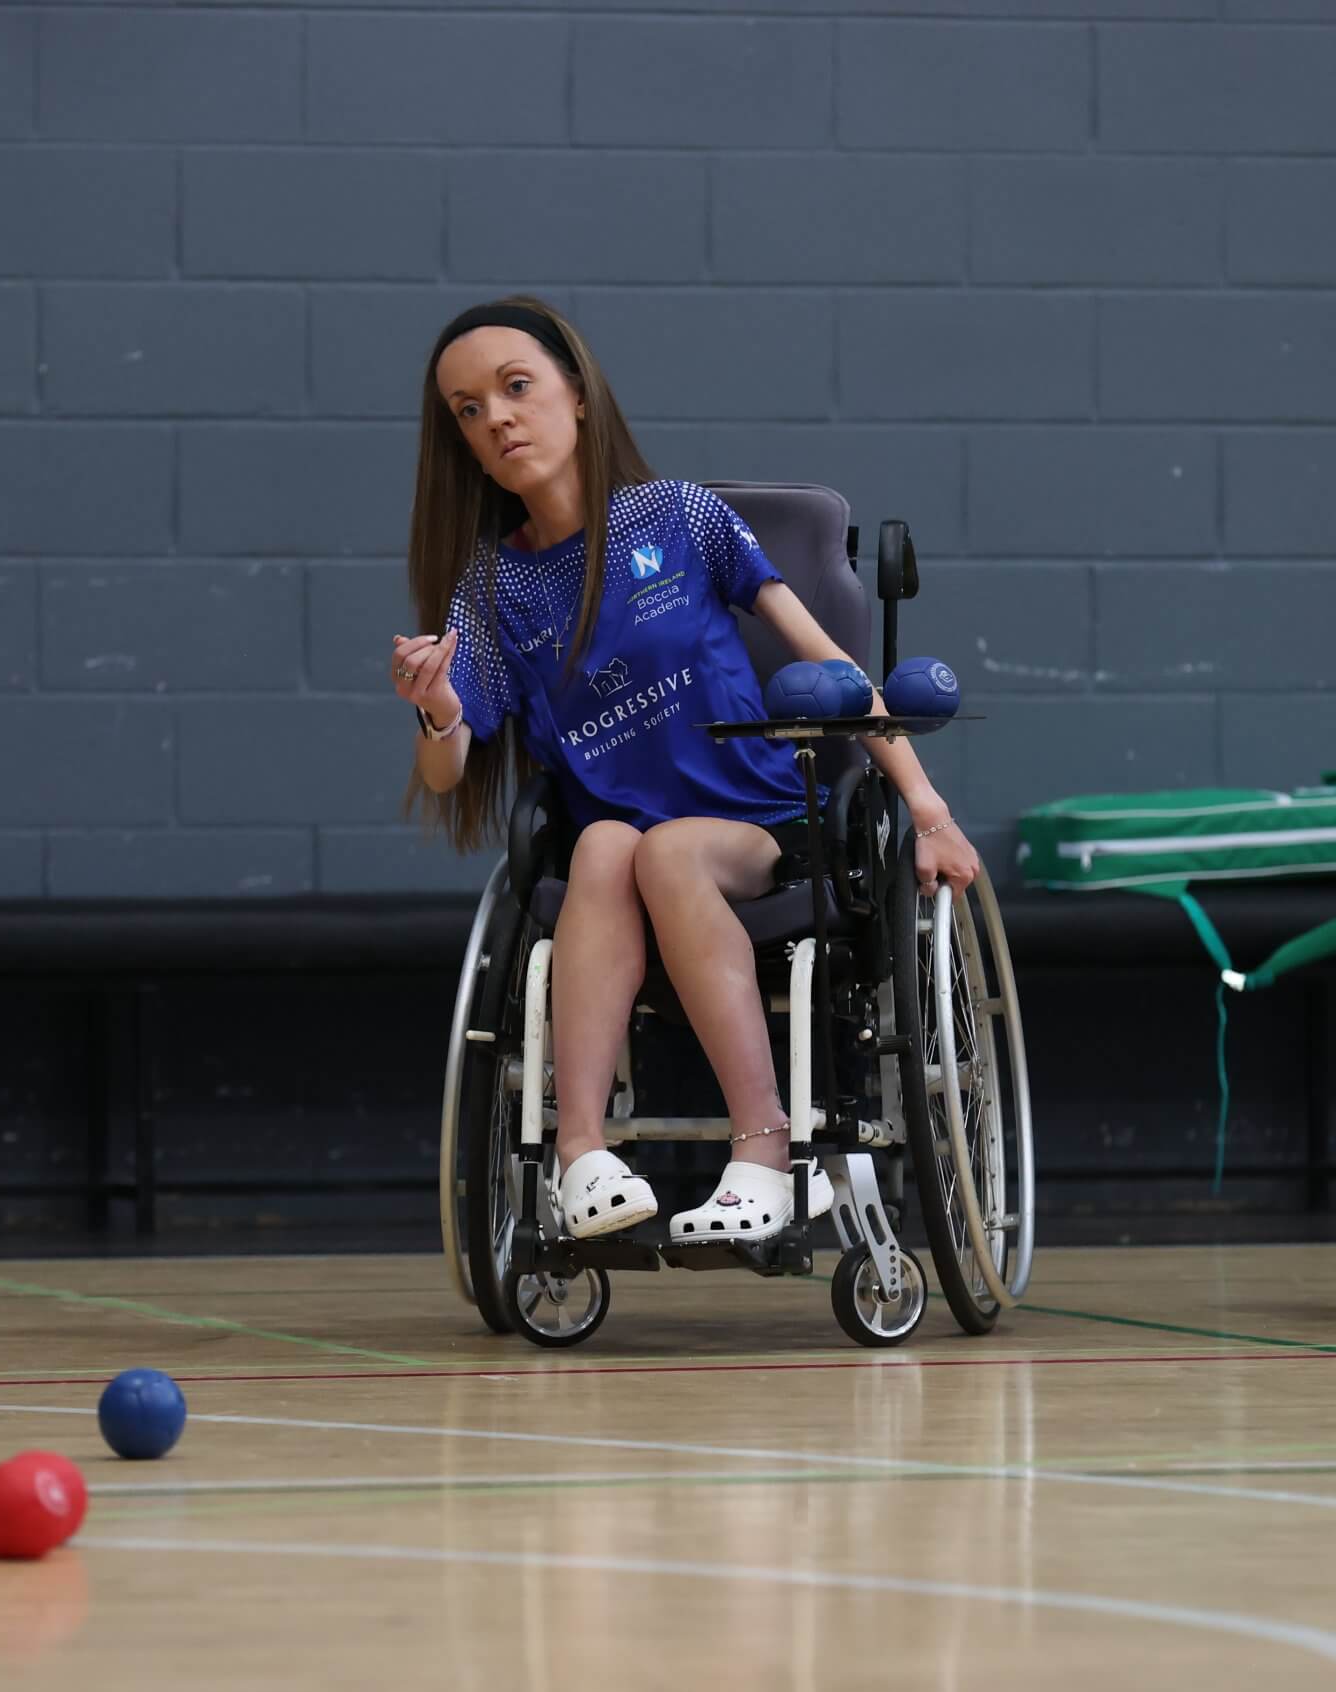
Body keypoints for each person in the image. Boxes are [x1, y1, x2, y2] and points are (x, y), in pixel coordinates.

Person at [392, 296, 978, 1244]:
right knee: (607, 848)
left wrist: (927, 805)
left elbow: (829, 661)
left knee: (661, 849)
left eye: (515, 387)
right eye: (467, 409)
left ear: (576, 395)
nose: (495, 417)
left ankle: (766, 1150)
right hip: (617, 859)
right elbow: (450, 770)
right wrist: (440, 705)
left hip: (754, 829)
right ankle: (580, 1153)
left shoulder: (677, 516)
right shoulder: (490, 587)